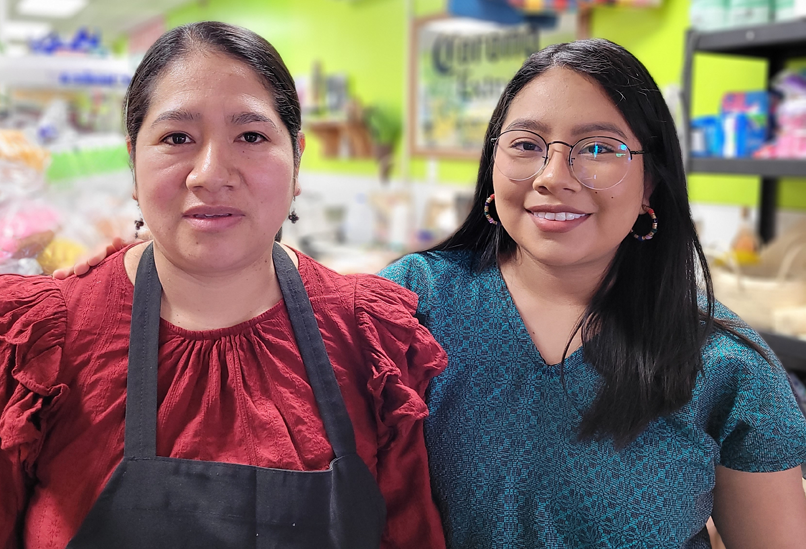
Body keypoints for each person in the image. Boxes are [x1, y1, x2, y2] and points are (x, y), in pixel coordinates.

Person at [67, 38, 806, 548]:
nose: (554, 174)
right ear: (492, 173)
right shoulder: (406, 306)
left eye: (599, 147)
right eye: (525, 144)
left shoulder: (728, 367)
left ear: (653, 186)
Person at [0, 22, 446, 549]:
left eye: (251, 136)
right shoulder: (33, 347)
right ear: (133, 162)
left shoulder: (369, 339)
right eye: (177, 138)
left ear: (297, 159)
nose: (211, 173)